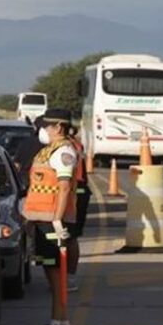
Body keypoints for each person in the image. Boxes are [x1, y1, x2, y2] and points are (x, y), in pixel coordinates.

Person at [22, 108, 79, 325]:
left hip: (52, 223)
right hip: (42, 221)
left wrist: (57, 219)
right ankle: (60, 323)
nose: (43, 130)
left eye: (47, 126)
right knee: (50, 274)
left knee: (57, 277)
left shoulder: (64, 151)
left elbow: (64, 187)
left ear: (58, 127)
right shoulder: (50, 150)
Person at [65, 125, 90, 292]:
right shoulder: (75, 144)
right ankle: (67, 276)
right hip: (77, 191)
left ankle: (68, 277)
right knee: (70, 237)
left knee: (69, 237)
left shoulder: (66, 147)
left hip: (71, 193)